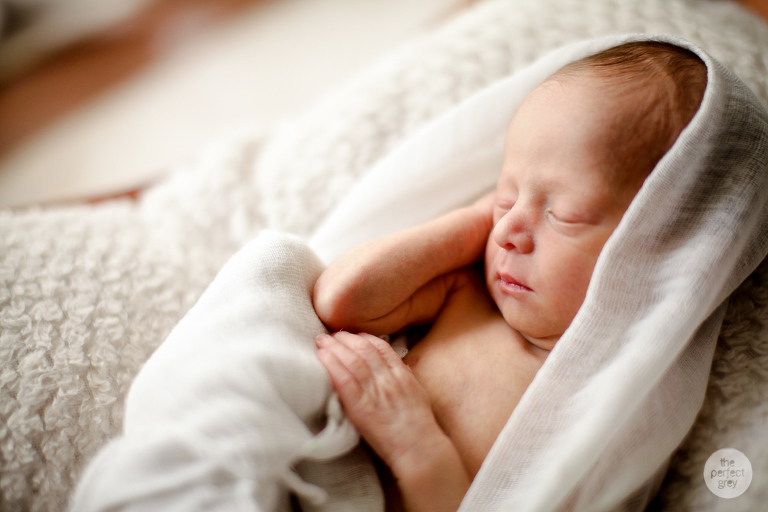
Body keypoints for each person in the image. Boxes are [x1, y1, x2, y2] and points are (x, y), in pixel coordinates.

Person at [312, 41, 707, 512]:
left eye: (562, 214)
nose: (509, 232)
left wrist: (415, 446)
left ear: (658, 250)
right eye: (505, 196)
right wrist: (478, 220)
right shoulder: (468, 296)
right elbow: (341, 298)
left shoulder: (608, 408)